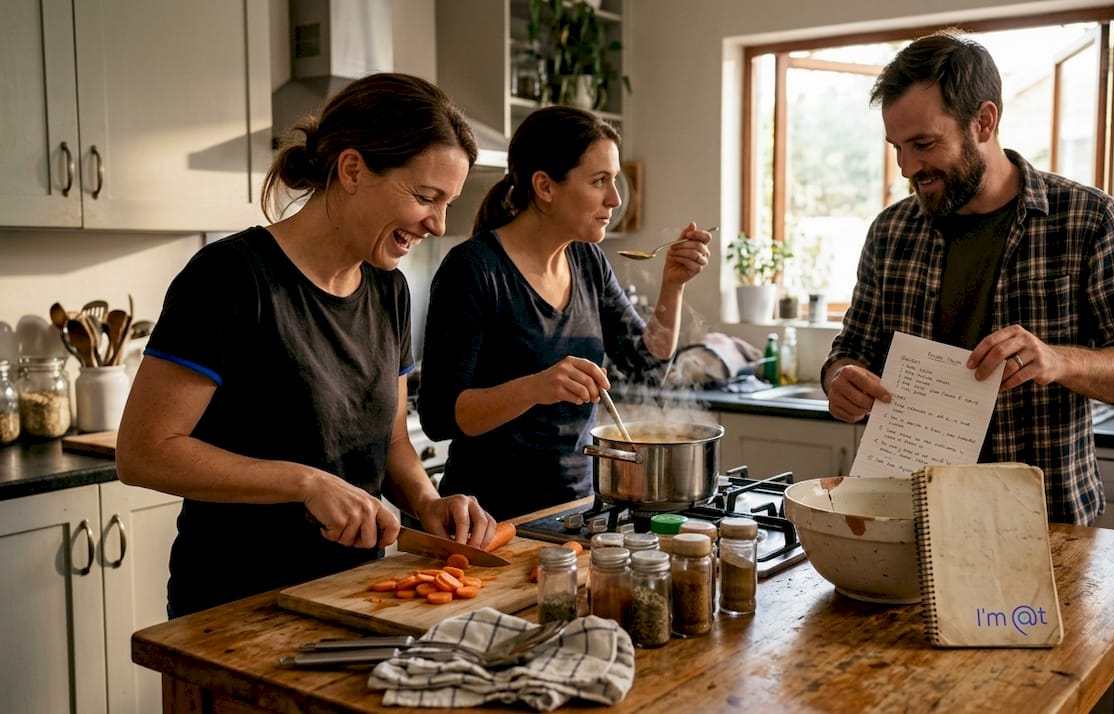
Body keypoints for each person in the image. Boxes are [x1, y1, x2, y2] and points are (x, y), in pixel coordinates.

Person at [115, 73, 498, 617]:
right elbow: (142, 452)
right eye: (425, 197)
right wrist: (304, 482)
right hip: (235, 606)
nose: (437, 225)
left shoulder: (388, 289)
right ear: (352, 169)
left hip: (357, 597)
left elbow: (391, 445)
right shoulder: (230, 279)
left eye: (448, 204)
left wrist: (429, 503)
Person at [820, 31, 1114, 525]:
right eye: (897, 147)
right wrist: (840, 379)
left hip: (1045, 525)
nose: (907, 167)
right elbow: (849, 350)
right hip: (907, 518)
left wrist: (1057, 360)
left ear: (984, 121)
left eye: (924, 144)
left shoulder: (1087, 219)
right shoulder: (891, 231)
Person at [418, 105, 713, 521]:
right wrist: (537, 387)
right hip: (490, 519)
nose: (614, 199)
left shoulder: (588, 262)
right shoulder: (474, 270)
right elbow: (440, 417)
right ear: (545, 186)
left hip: (577, 509)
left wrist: (673, 285)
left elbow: (647, 364)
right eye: (599, 182)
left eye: (614, 181)